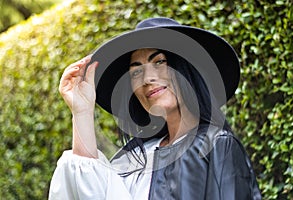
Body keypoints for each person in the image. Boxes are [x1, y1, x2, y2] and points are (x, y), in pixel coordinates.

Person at [49, 17, 261, 199]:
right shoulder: (133, 160)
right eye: (135, 72)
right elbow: (87, 192)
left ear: (185, 69)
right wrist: (82, 110)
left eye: (159, 62)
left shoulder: (216, 146)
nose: (148, 78)